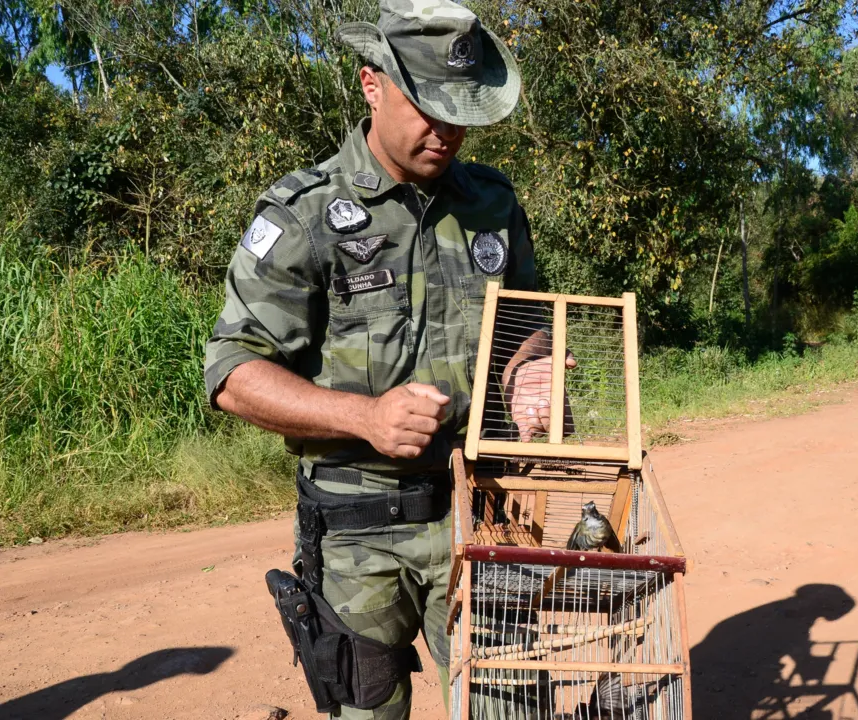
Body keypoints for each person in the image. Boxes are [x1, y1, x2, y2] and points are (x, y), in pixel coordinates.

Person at [203, 1, 567, 717]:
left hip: (482, 511)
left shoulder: (492, 202)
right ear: (373, 85)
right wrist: (363, 415)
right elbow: (232, 372)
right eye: (428, 107)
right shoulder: (303, 213)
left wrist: (530, 368)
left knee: (513, 706)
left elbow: (531, 324)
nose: (448, 130)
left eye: (462, 111)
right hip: (357, 533)